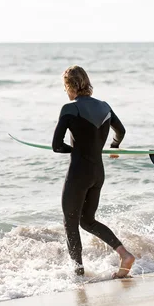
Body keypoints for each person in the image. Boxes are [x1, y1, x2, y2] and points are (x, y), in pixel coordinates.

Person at [52, 65, 136, 278]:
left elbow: (57, 145)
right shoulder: (105, 106)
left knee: (71, 222)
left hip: (79, 172)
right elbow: (121, 131)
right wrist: (114, 146)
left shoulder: (69, 108)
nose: (65, 92)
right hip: (97, 172)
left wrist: (75, 149)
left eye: (65, 87)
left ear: (70, 86)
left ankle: (78, 273)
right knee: (87, 220)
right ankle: (124, 254)